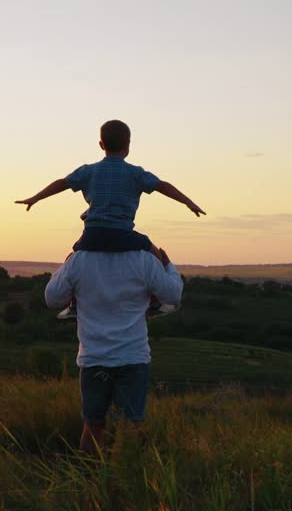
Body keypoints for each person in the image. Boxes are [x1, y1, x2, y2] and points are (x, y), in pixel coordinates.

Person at [17, 119, 204, 317]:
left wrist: (36, 198)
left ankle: (73, 304)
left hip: (93, 235)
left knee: (72, 256)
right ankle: (154, 302)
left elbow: (62, 183)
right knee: (154, 252)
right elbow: (162, 185)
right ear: (128, 146)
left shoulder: (88, 171)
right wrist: (188, 202)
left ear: (101, 145)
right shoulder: (135, 173)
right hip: (123, 234)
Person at [44, 244, 183, 457]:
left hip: (94, 358)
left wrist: (66, 265)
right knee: (131, 427)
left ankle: (88, 481)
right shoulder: (144, 258)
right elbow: (173, 295)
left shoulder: (79, 260)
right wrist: (166, 264)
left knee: (92, 426)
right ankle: (128, 480)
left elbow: (52, 298)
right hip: (132, 358)